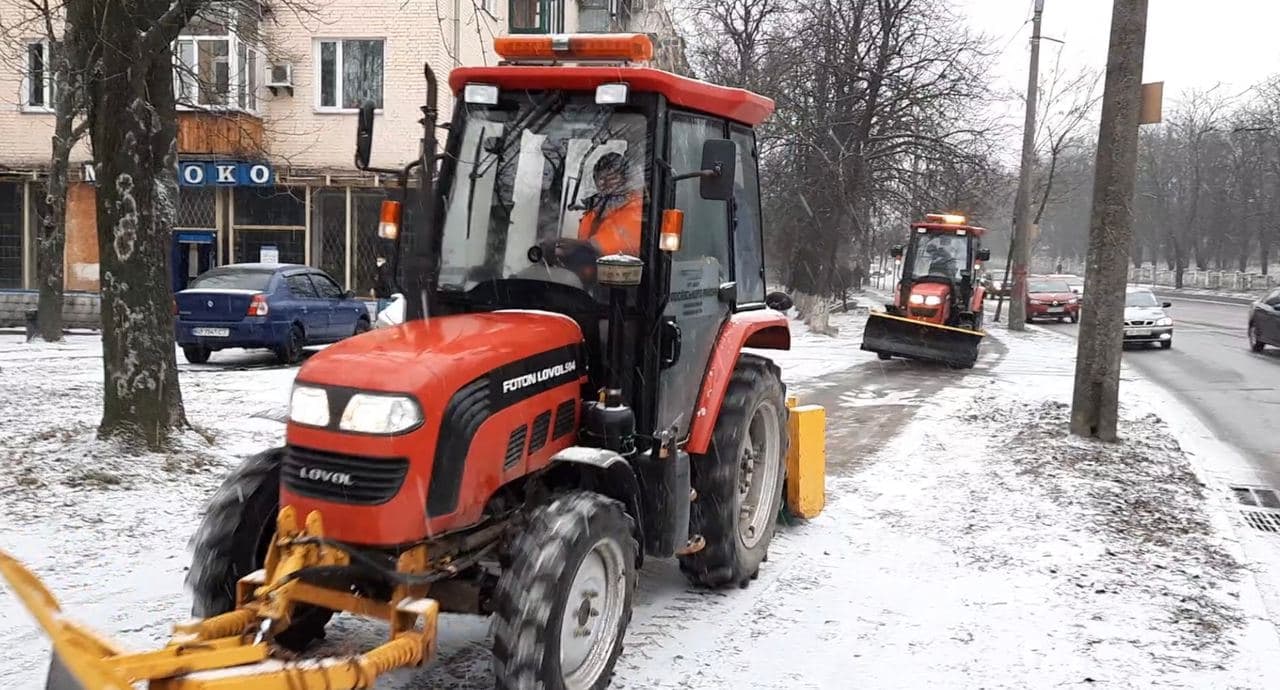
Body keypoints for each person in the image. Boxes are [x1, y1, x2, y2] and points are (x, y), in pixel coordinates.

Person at [576, 152, 642, 256]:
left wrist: (575, 250)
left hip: (621, 269)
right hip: (592, 266)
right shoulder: (596, 207)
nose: (605, 182)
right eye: (601, 177)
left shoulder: (635, 207)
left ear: (624, 179)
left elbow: (609, 241)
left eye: (612, 177)